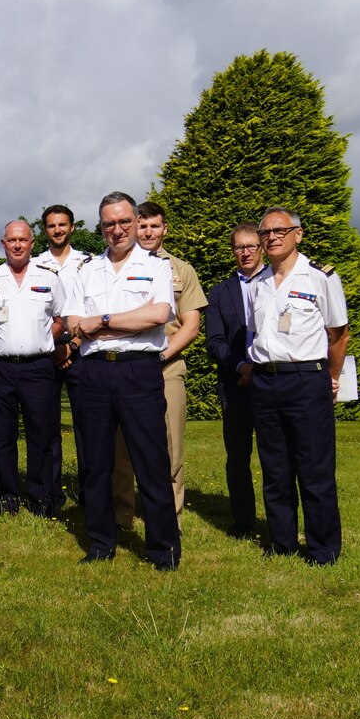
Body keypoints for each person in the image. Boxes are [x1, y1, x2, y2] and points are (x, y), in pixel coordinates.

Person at [63, 192, 180, 570]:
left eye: (123, 221)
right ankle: (100, 544)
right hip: (93, 373)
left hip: (139, 370)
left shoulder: (157, 266)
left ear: (135, 221)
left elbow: (159, 313)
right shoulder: (85, 270)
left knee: (151, 460)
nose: (117, 229)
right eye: (109, 224)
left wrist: (105, 321)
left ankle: (164, 550)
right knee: (95, 463)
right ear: (100, 228)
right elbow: (73, 323)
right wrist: (118, 321)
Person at [240, 207, 348, 565]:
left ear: (298, 234)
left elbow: (337, 334)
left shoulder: (320, 277)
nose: (271, 237)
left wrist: (331, 378)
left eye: (279, 230)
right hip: (266, 381)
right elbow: (255, 333)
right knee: (275, 470)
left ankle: (323, 550)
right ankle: (282, 542)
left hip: (306, 380)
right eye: (265, 232)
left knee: (315, 469)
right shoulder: (257, 284)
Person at [111, 201, 207, 527]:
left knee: (170, 449)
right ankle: (121, 517)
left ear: (165, 229)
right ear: (134, 228)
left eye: (155, 226)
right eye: (143, 226)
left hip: (166, 369)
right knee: (120, 448)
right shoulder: (118, 267)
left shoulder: (182, 270)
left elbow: (191, 325)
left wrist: (161, 357)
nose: (148, 232)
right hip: (125, 368)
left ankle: (170, 519)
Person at [0, 221, 70, 516]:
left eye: (23, 240)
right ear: (3, 243)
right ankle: (7, 497)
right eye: (12, 240)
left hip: (39, 367)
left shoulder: (48, 278)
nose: (18, 245)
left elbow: (61, 316)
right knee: (1, 436)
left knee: (42, 435)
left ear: (32, 243)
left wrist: (49, 336)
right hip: (0, 367)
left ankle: (42, 498)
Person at [206, 223, 267, 538]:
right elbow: (215, 340)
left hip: (273, 382)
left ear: (261, 248)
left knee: (275, 456)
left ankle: (278, 520)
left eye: (251, 246)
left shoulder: (277, 282)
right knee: (238, 457)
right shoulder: (219, 292)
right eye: (239, 247)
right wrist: (242, 366)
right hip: (235, 383)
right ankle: (243, 520)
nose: (245, 252)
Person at [34, 204, 91, 512]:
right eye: (51, 226)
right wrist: (56, 346)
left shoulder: (88, 263)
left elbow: (93, 308)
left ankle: (88, 493)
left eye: (63, 225)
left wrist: (74, 344)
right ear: (45, 230)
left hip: (82, 350)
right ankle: (51, 495)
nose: (57, 230)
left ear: (72, 228)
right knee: (47, 426)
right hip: (47, 351)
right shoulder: (34, 264)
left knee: (87, 427)